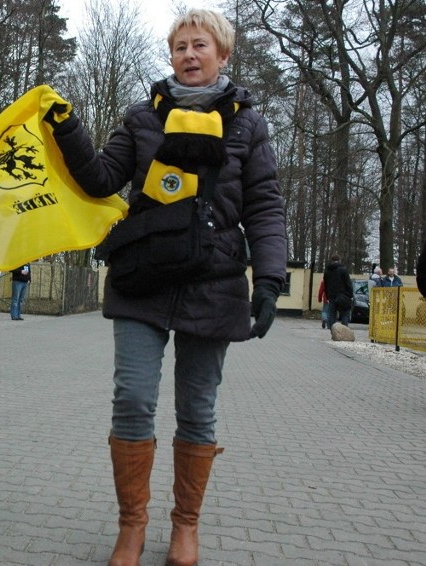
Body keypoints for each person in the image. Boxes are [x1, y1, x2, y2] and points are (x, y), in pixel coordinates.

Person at [44, 9, 286, 566]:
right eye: (180, 46)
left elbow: (265, 205)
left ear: (223, 56)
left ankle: (186, 526)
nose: (189, 55)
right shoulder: (141, 117)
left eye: (200, 45)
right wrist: (67, 127)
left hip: (215, 280)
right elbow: (102, 179)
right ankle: (131, 526)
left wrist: (270, 279)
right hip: (142, 277)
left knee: (198, 408)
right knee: (132, 398)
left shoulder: (248, 124)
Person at [323, 254, 354, 327]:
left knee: (331, 313)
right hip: (343, 295)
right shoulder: (343, 269)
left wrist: (327, 295)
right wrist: (350, 294)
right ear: (339, 260)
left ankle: (331, 329)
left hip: (331, 295)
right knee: (345, 313)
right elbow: (348, 283)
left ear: (332, 260)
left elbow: (326, 284)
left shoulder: (327, 271)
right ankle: (344, 328)